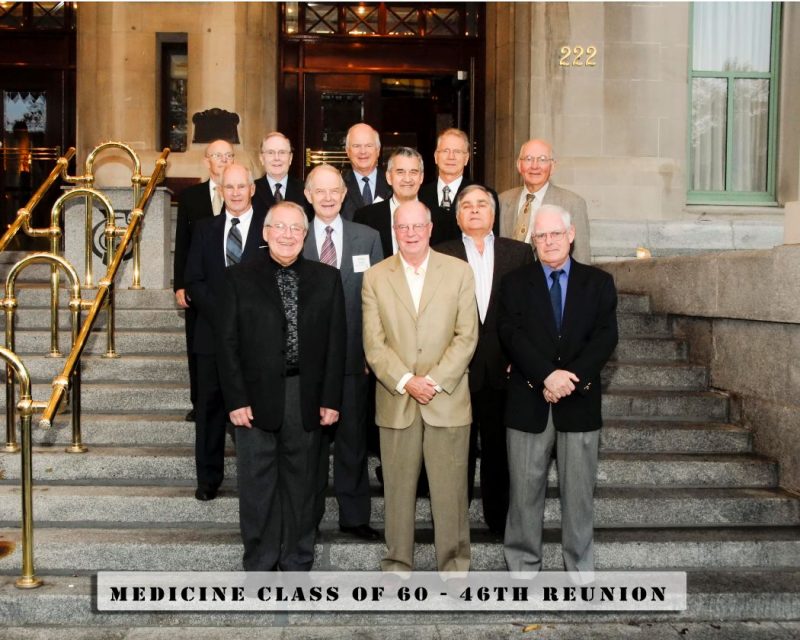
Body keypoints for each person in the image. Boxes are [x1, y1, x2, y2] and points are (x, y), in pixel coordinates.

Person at [218, 201, 346, 571]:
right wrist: (236, 399)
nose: (288, 235)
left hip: (304, 394)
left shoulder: (327, 278)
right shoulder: (238, 277)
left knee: (302, 484)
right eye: (280, 227)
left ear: (305, 236)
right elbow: (225, 346)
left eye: (296, 229)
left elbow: (337, 345)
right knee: (256, 486)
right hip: (253, 400)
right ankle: (260, 560)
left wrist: (330, 398)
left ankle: (297, 559)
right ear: (265, 232)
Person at [497, 204, 618, 581]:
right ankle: (522, 567)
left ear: (571, 235)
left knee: (579, 495)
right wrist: (547, 376)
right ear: (533, 241)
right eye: (540, 235)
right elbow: (511, 336)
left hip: (579, 403)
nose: (548, 241)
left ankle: (580, 569)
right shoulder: (515, 283)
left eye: (555, 234)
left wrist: (570, 378)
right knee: (524, 493)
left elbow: (605, 338)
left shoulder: (598, 283)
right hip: (528, 401)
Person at [362, 200, 478, 573]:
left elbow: (467, 336)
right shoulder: (376, 276)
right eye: (402, 228)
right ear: (394, 232)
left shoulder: (459, 272)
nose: (410, 234)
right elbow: (373, 343)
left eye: (417, 227)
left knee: (451, 492)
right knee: (397, 491)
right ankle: (397, 562)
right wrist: (406, 381)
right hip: (396, 400)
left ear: (430, 229)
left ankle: (455, 565)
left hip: (448, 398)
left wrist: (434, 381)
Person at [435, 184, 533, 534]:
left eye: (482, 205)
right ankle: (453, 521)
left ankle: (497, 520)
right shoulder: (440, 253)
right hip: (454, 371)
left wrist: (517, 357)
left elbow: (528, 312)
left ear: (494, 213)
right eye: (467, 206)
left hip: (501, 368)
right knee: (454, 451)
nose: (474, 210)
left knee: (497, 450)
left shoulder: (519, 253)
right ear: (458, 215)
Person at [302, 163, 383, 541]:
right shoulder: (292, 237)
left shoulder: (367, 237)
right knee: (311, 444)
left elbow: (380, 301)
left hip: (355, 358)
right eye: (320, 190)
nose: (329, 197)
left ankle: (355, 517)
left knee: (353, 442)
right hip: (304, 363)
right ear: (307, 196)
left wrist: (373, 351)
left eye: (335, 189)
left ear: (345, 193)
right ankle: (309, 516)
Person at [184, 163, 266, 501]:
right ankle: (208, 478)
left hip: (257, 339)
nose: (235, 192)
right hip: (211, 335)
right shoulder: (204, 229)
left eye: (241, 186)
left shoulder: (269, 228)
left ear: (252, 189)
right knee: (210, 410)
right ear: (220, 190)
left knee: (257, 411)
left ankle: (257, 478)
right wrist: (224, 315)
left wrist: (246, 318)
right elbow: (194, 280)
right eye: (228, 187)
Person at [173, 139, 235, 422]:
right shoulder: (191, 197)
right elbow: (182, 244)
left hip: (233, 286)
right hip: (199, 286)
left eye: (228, 155)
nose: (223, 159)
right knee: (197, 345)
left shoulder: (241, 196)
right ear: (206, 161)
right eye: (217, 155)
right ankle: (199, 403)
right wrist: (179, 285)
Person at [498, 139, 591, 263]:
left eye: (542, 159)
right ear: (519, 165)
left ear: (552, 167)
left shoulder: (573, 203)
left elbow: (581, 257)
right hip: (508, 280)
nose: (535, 166)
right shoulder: (502, 200)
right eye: (528, 159)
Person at [419, 127, 500, 244]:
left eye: (457, 152)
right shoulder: (419, 195)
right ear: (436, 157)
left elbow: (492, 242)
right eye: (445, 151)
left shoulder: (484, 196)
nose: (451, 157)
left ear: (466, 158)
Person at [354, 146, 425, 258]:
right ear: (389, 177)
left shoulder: (441, 218)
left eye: (413, 172)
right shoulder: (365, 218)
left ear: (421, 177)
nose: (407, 179)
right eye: (400, 172)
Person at [252, 131, 313, 220]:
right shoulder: (250, 191)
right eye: (270, 153)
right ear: (261, 158)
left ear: (290, 158)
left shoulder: (305, 190)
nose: (277, 158)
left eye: (282, 152)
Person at [341, 123, 392, 220]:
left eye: (369, 145)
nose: (363, 151)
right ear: (347, 151)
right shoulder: (338, 184)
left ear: (378, 150)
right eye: (356, 146)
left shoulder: (391, 183)